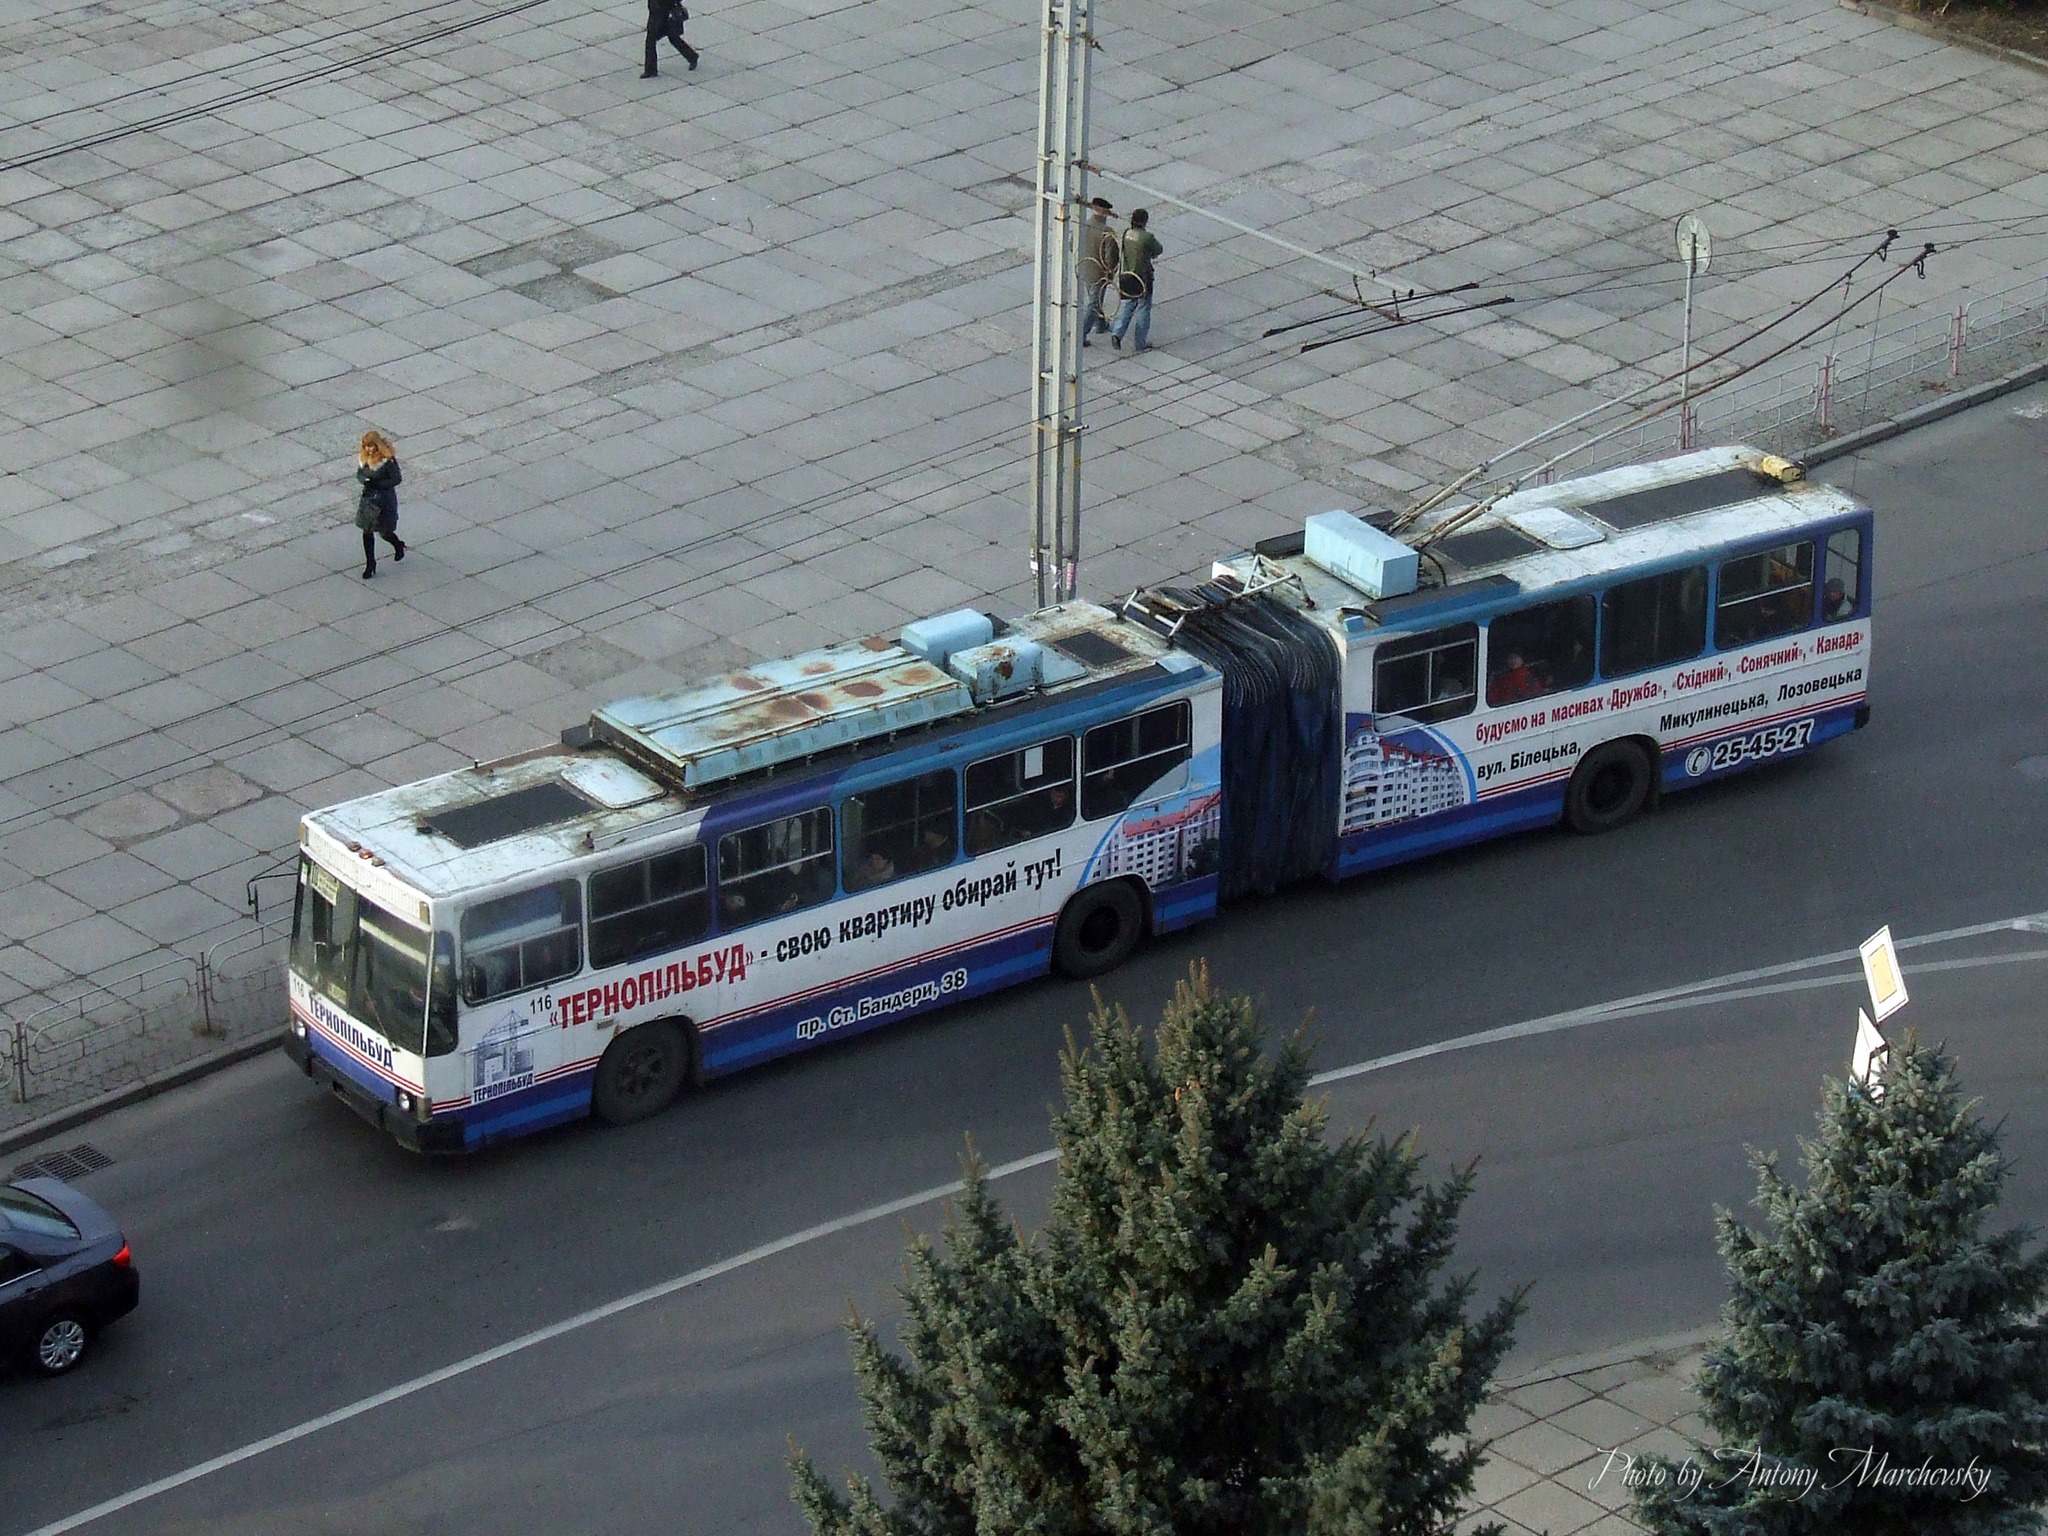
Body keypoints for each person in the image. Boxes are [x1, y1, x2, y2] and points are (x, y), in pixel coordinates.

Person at [1109, 208, 1162, 353]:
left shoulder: (1127, 234)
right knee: (1144, 309)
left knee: (1129, 304)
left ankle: (1117, 333)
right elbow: (1158, 250)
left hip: (1127, 276)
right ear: (1145, 221)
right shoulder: (1147, 237)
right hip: (1143, 278)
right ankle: (1140, 343)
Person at [354, 430, 404, 579]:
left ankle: (397, 544)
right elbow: (360, 474)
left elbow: (396, 479)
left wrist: (380, 483)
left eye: (371, 446)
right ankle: (370, 563)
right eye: (366, 446)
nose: (369, 449)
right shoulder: (365, 460)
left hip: (384, 499)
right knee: (367, 530)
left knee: (384, 531)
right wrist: (366, 481)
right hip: (369, 499)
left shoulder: (387, 461)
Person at [1078, 198, 1118, 347]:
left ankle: (1101, 324)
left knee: (1095, 298)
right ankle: (1081, 334)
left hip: (1084, 268)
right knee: (1094, 303)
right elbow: (1110, 257)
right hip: (1098, 273)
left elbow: (1071, 244)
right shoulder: (1106, 232)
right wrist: (1110, 272)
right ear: (1104, 212)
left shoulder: (1083, 225)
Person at [643, 0, 697, 77]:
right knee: (654, 40)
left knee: (669, 39)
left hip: (666, 15)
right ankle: (692, 56)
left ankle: (692, 57)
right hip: (658, 14)